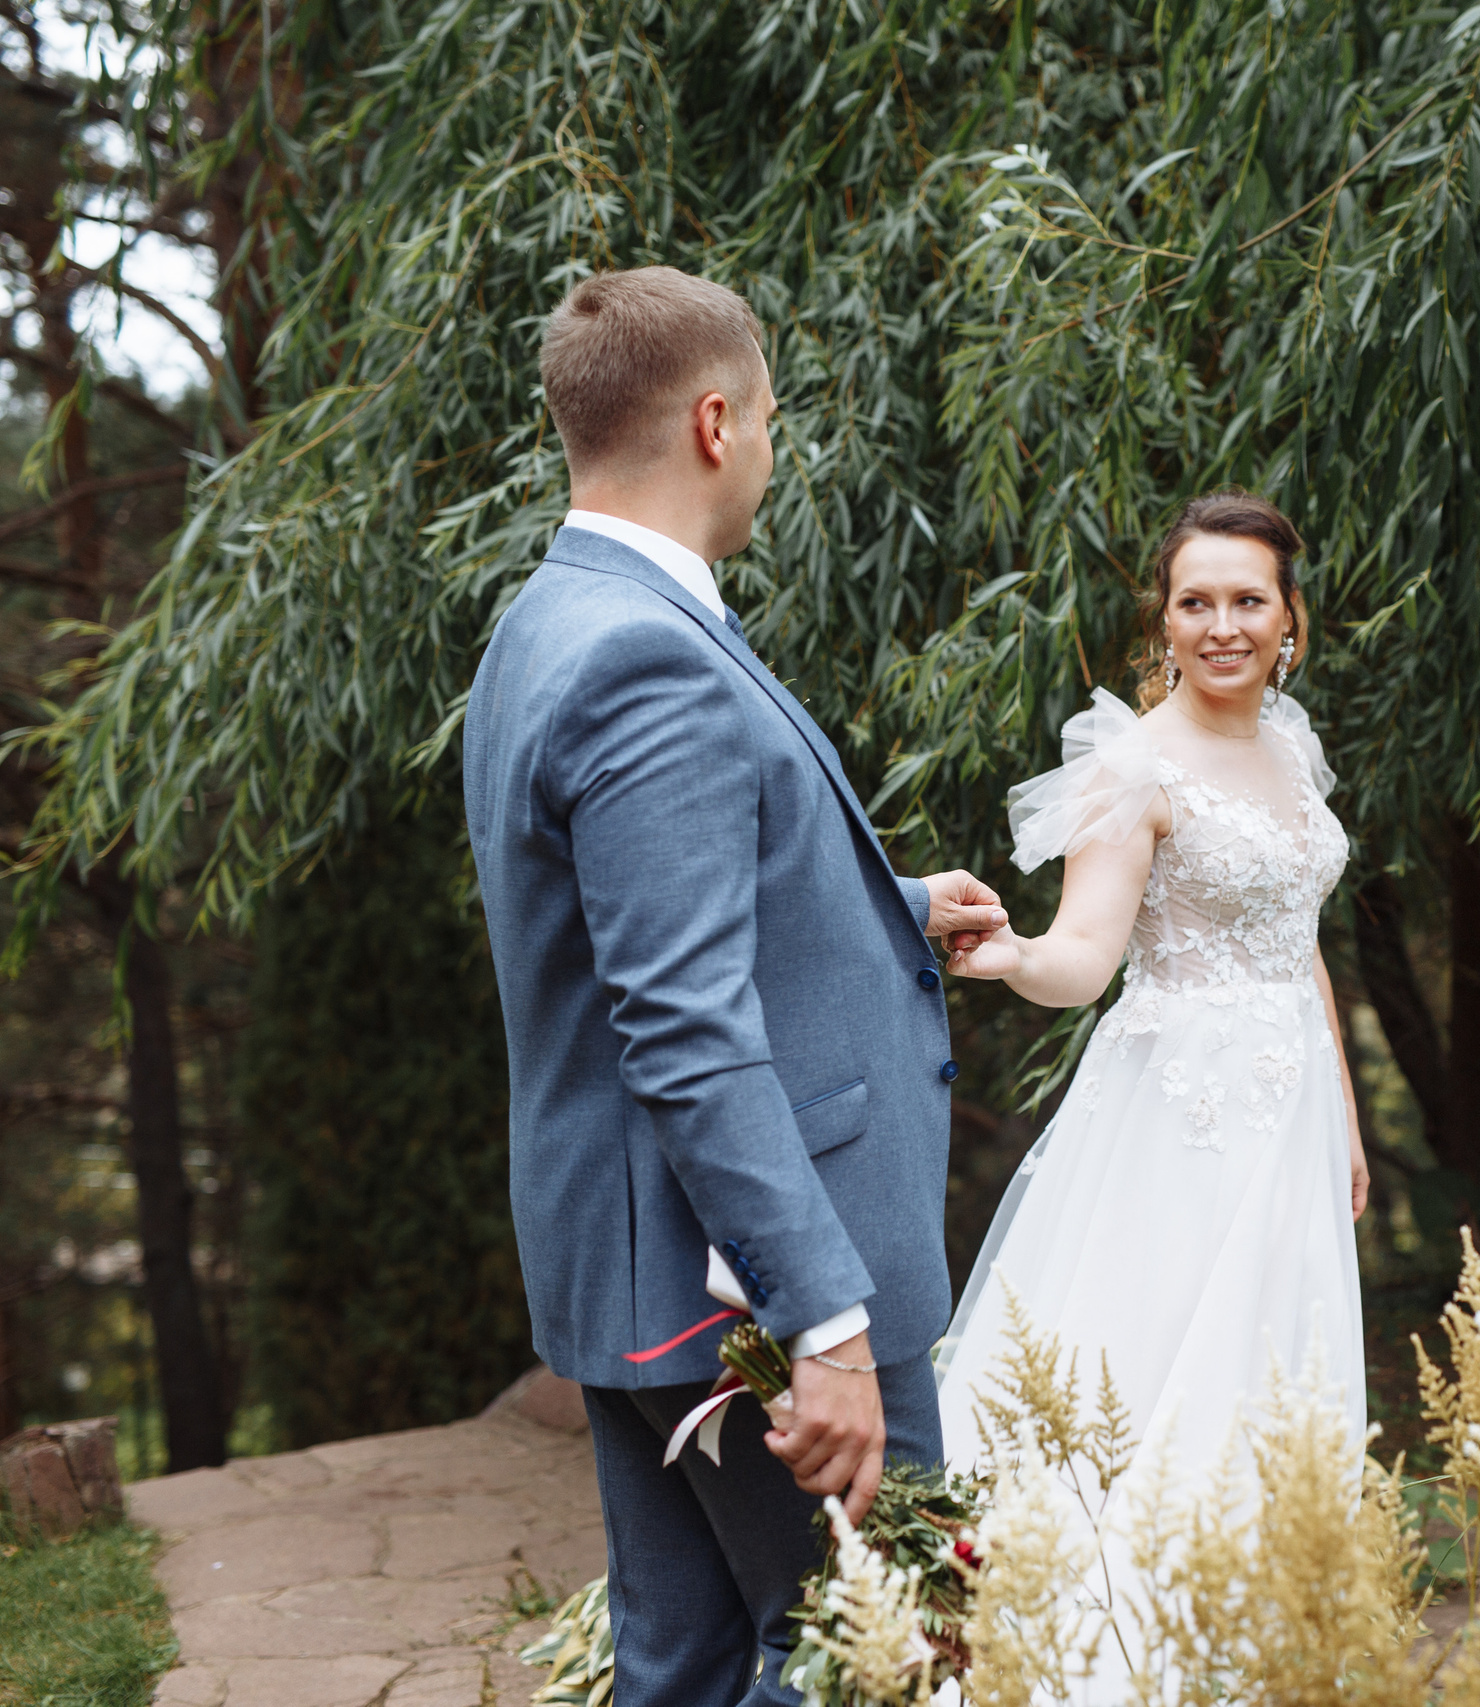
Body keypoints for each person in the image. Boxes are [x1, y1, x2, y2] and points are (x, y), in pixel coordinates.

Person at [461, 267, 1005, 1707]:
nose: (771, 444)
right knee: (875, 1649)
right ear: (714, 420)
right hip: (746, 1287)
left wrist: (884, 907)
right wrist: (821, 1318)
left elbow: (629, 916)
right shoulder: (650, 655)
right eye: (768, 418)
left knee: (691, 1662)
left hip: (630, 1266)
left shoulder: (552, 617)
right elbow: (685, 1024)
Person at [937, 490, 1370, 1483]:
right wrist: (1016, 958)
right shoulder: (1134, 772)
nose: (1224, 628)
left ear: (1289, 620)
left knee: (1271, 1372)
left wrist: (1341, 1111)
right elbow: (1085, 956)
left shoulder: (1291, 750)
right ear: (1165, 624)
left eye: (1249, 602)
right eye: (1196, 604)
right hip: (1179, 1119)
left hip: (1291, 1114)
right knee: (1151, 1370)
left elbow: (1295, 942)